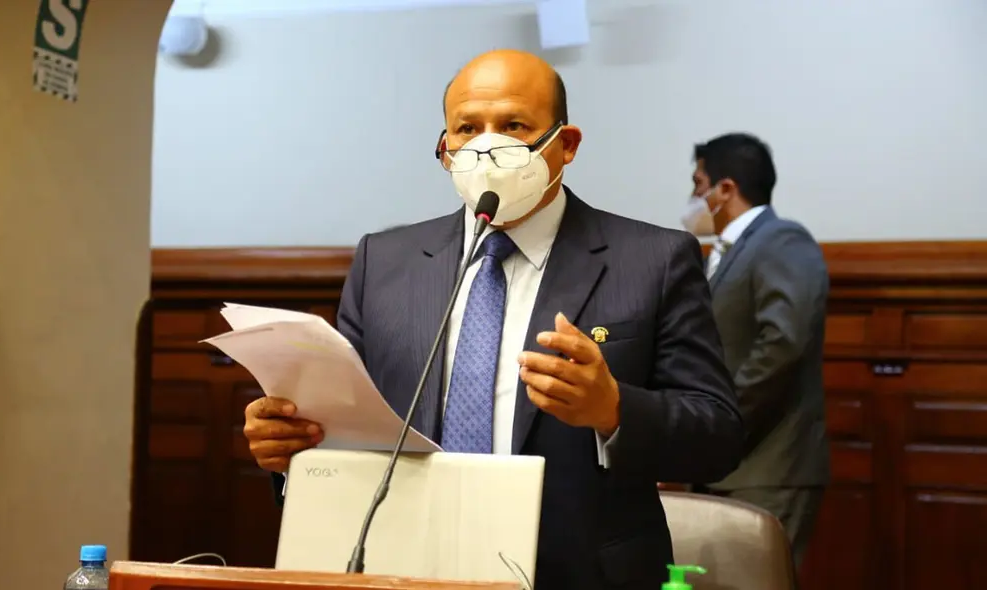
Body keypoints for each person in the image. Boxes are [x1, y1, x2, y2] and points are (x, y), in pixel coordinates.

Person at [243, 49, 743, 590]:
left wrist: (615, 410)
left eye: (513, 126)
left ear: (566, 144)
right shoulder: (383, 264)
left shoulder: (653, 260)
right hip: (405, 568)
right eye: (467, 128)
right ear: (444, 150)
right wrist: (290, 446)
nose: (487, 144)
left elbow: (717, 436)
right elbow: (347, 423)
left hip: (580, 573)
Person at [681, 133, 830, 569]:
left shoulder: (782, 239)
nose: (693, 197)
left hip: (768, 468)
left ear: (725, 189)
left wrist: (720, 421)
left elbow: (784, 343)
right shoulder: (725, 254)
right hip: (724, 468)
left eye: (698, 182)